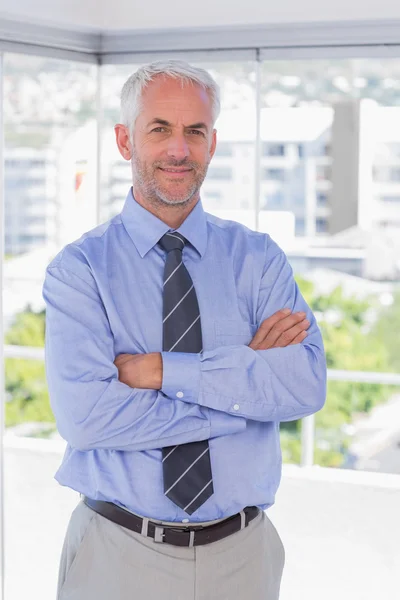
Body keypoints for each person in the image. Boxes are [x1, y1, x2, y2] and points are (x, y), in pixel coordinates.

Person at [42, 60, 327, 600]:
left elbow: (304, 386)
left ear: (212, 143)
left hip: (242, 558)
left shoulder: (259, 259)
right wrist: (240, 394)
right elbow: (87, 419)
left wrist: (159, 371)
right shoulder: (80, 270)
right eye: (160, 130)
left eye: (195, 132)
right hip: (118, 554)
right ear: (126, 141)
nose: (179, 150)